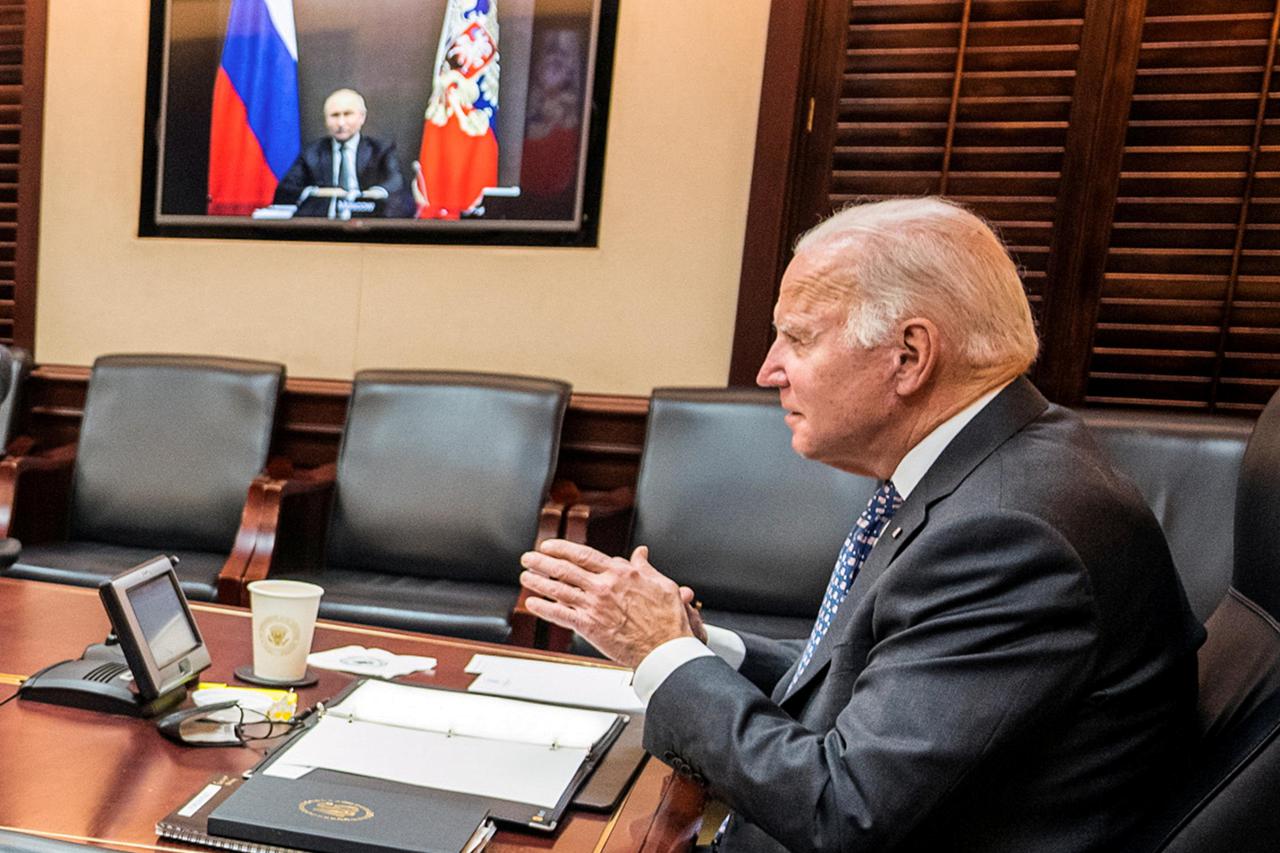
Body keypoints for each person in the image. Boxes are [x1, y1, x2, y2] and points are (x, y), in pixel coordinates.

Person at [519, 197, 1205, 852]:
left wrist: (666, 654)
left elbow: (843, 812)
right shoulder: (994, 469)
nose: (767, 371)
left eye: (798, 337)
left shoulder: (1010, 531)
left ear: (909, 355)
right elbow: (875, 685)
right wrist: (698, 645)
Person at [273, 88, 411, 218]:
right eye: (334, 115)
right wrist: (321, 193)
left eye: (348, 114)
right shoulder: (313, 152)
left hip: (369, 224)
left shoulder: (381, 149)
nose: (341, 122)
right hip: (323, 226)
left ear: (362, 117)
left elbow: (395, 182)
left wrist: (366, 195)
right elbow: (286, 189)